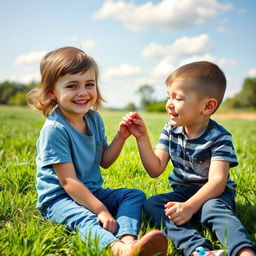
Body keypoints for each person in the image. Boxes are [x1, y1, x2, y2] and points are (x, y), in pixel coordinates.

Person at [26, 46, 168, 256]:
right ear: (52, 93)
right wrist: (100, 209)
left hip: (91, 191)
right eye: (72, 86)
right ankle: (119, 250)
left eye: (89, 84)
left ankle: (128, 239)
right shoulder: (55, 130)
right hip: (59, 198)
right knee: (87, 218)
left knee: (133, 195)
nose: (83, 92)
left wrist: (121, 136)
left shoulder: (94, 119)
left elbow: (105, 160)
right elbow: (68, 182)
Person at [123, 61, 256, 256]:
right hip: (184, 193)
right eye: (168, 96)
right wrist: (142, 138)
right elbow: (155, 169)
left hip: (214, 194)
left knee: (212, 209)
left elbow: (218, 182)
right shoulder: (170, 130)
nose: (169, 104)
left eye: (178, 98)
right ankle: (197, 249)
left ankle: (244, 251)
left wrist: (190, 207)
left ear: (207, 106)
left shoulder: (219, 137)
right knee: (153, 204)